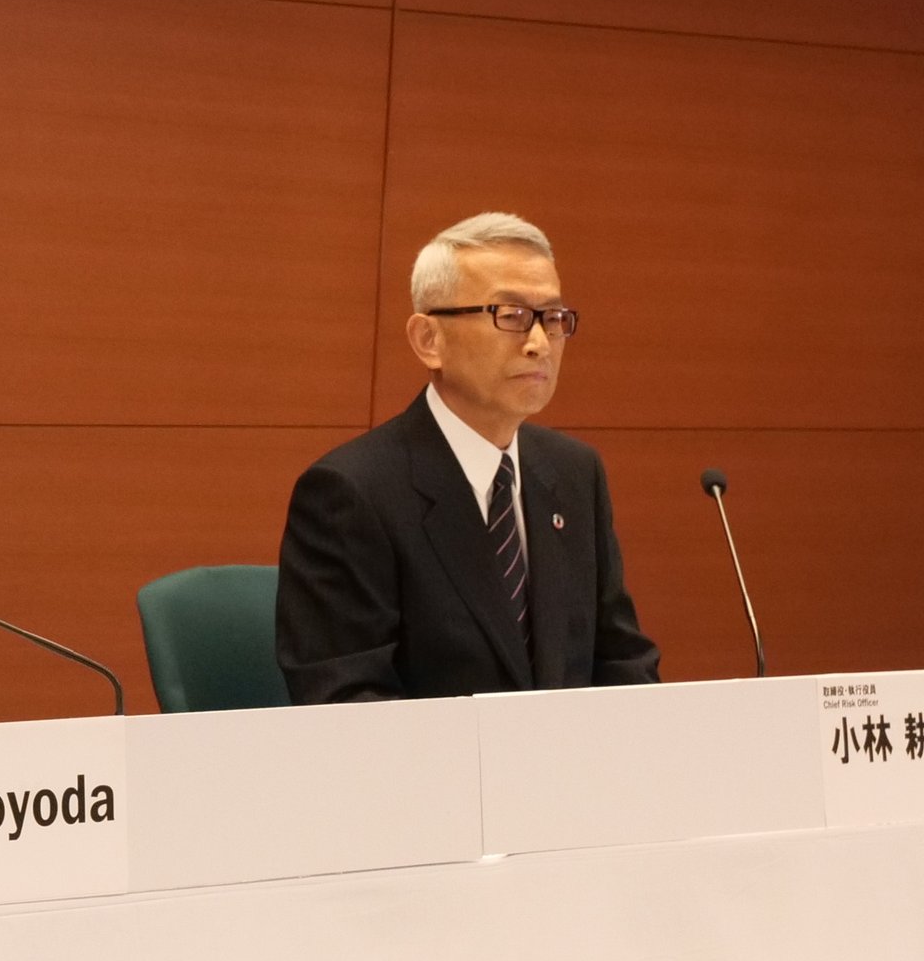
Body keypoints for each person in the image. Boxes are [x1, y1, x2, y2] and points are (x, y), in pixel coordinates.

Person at [275, 210, 659, 703]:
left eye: (554, 318)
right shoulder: (351, 493)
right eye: (512, 316)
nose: (540, 343)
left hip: (566, 775)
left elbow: (622, 660)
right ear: (428, 340)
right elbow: (346, 700)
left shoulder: (574, 472)